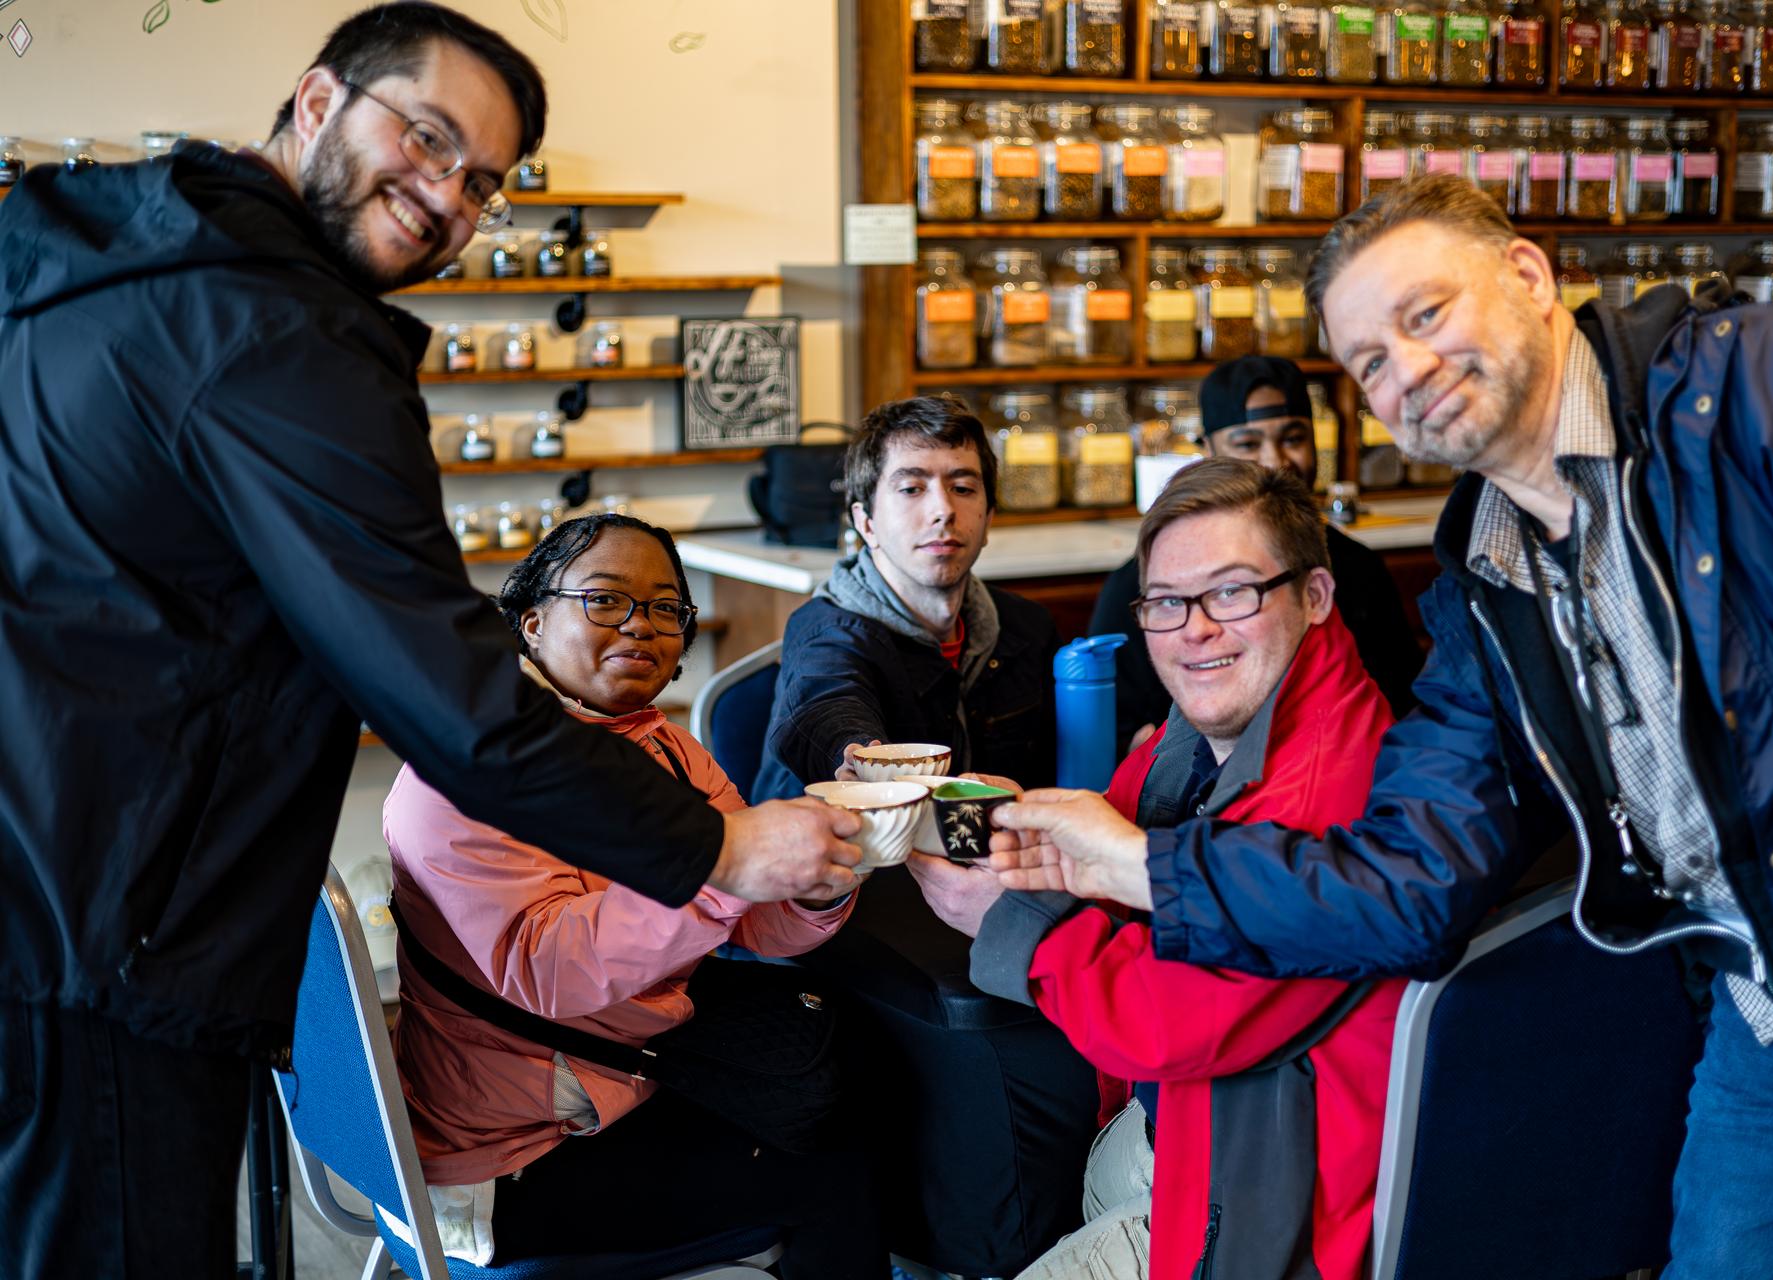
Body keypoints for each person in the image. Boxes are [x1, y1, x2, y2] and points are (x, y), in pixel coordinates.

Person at [0, 6, 857, 1273]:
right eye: (428, 136)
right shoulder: (281, 329)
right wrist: (721, 843)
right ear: (315, 101)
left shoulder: (90, 252)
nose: (448, 194)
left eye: (484, 180)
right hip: (114, 924)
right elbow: (450, 694)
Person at [990, 175, 1773, 1277]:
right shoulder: (1486, 570)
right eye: (1370, 361)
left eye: (1425, 314)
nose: (1408, 371)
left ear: (1529, 276)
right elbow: (1412, 881)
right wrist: (1137, 864)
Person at [913, 458, 1401, 1280]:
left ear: (1315, 596)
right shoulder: (1217, 721)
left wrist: (1007, 917)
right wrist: (1034, 817)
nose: (1196, 629)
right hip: (1168, 1129)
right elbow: (1125, 826)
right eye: (1168, 602)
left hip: (1265, 1199)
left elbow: (1169, 1021)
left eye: (1234, 591)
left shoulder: (1325, 794)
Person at [383, 514, 886, 1277]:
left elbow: (755, 924)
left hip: (611, 1077)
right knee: (839, 1163)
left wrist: (824, 878)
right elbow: (549, 972)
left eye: (662, 608)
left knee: (859, 1075)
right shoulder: (460, 770)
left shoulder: (663, 747)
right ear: (531, 620)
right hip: (515, 1151)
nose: (639, 626)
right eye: (606, 600)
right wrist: (725, 872)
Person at [1088, 356, 1424, 744]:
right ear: (1208, 448)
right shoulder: (1140, 587)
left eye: (1293, 438)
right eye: (1247, 443)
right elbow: (1111, 732)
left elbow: (1404, 704)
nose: (1274, 460)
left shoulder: (1359, 568)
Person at [753, 395, 1061, 800]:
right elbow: (827, 699)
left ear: (988, 520)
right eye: (912, 488)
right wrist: (857, 758)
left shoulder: (1028, 629)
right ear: (866, 523)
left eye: (963, 487)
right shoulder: (825, 634)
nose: (943, 510)